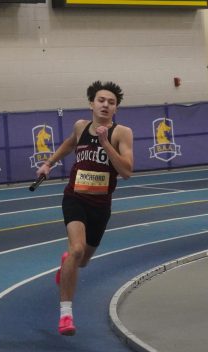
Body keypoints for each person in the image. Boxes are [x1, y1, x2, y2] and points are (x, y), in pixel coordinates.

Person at [35, 81, 134, 336]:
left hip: (101, 206)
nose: (105, 105)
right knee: (77, 249)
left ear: (116, 109)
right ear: (92, 103)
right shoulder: (81, 126)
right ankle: (66, 316)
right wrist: (48, 164)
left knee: (82, 260)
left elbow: (126, 172)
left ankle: (67, 263)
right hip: (75, 198)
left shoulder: (122, 133)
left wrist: (105, 142)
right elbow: (70, 143)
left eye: (111, 102)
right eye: (101, 100)